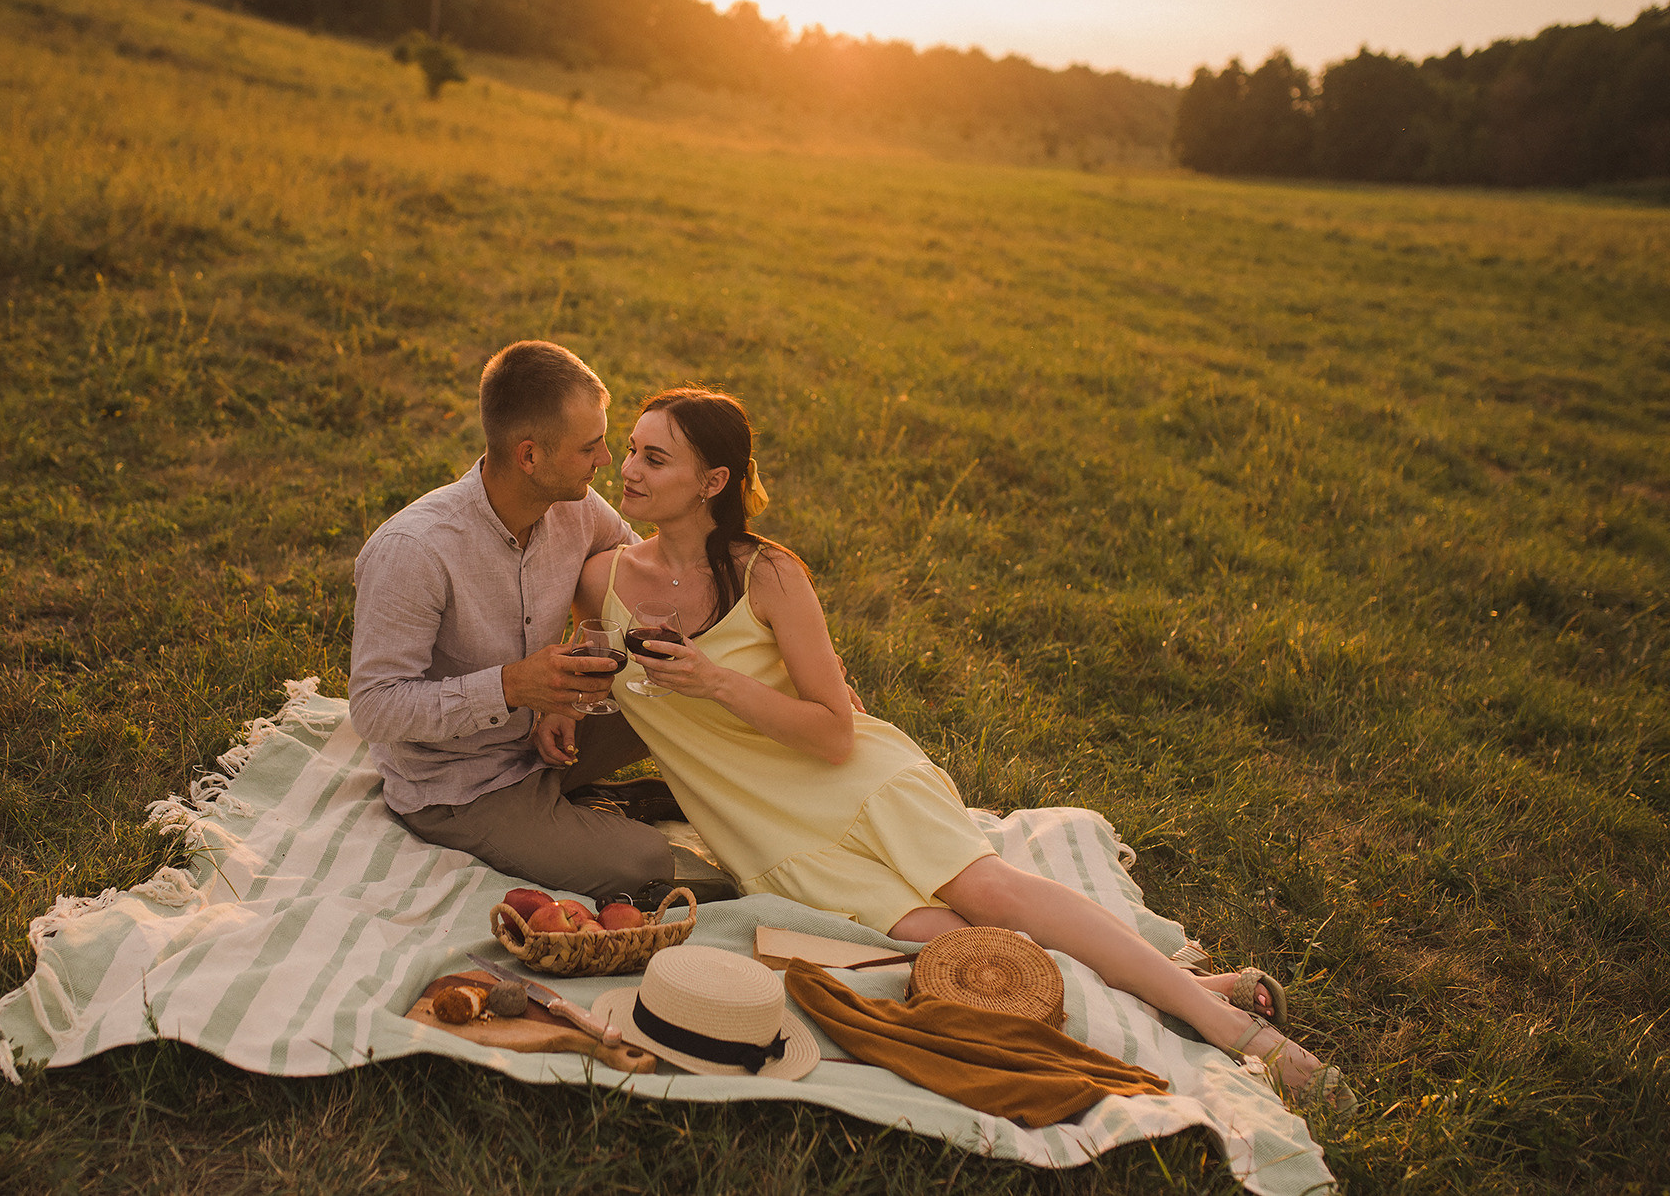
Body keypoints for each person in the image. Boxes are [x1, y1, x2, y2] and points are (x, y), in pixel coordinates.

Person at [536, 387, 1353, 1110]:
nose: (628, 470)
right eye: (631, 450)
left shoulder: (772, 575)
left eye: (653, 456)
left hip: (854, 781)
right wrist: (567, 704)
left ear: (711, 483)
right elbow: (593, 663)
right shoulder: (602, 578)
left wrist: (717, 682)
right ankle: (1184, 986)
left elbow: (834, 729)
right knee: (965, 955)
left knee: (996, 897)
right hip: (769, 833)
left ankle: (1232, 1029)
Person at [348, 341, 673, 901]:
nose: (605, 462)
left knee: (683, 693)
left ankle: (576, 806)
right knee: (646, 864)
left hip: (548, 734)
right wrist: (512, 687)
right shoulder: (413, 550)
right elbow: (375, 707)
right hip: (459, 784)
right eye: (589, 448)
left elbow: (641, 570)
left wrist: (556, 700)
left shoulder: (577, 507)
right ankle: (590, 812)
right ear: (529, 456)